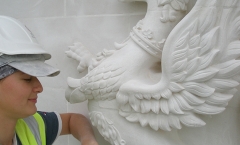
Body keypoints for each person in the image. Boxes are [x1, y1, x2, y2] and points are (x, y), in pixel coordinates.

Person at [0, 15, 98, 145]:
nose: (39, 87)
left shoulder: (32, 124)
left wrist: (88, 140)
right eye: (27, 78)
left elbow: (72, 120)